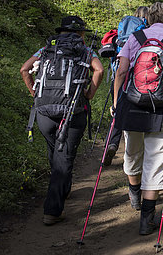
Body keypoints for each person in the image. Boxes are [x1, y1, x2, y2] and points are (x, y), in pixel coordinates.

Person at [113, 2, 163, 235]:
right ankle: (147, 219)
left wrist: (117, 103)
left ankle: (134, 194)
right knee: (157, 158)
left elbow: (122, 71)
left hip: (133, 102)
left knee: (133, 151)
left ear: (147, 18)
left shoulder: (135, 37)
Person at [20, 16, 104, 226]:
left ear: (62, 32)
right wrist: (90, 94)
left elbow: (24, 69)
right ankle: (52, 210)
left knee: (55, 152)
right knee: (64, 157)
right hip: (73, 110)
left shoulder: (46, 49)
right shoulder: (85, 50)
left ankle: (63, 190)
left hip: (44, 111)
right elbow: (99, 70)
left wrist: (35, 93)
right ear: (81, 34)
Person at [104, 6, 149, 167]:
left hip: (118, 78)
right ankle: (135, 155)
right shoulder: (145, 33)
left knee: (117, 111)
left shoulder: (122, 30)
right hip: (137, 79)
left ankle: (112, 144)